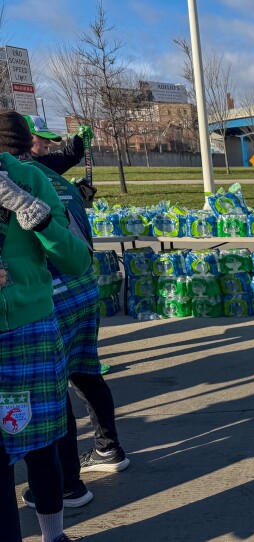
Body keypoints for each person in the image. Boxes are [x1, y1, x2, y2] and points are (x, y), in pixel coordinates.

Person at [0, 110, 130, 513]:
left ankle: (68, 485)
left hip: (49, 300)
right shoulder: (52, 176)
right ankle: (108, 449)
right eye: (40, 139)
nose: (44, 145)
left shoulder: (32, 179)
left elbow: (68, 250)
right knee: (82, 376)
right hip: (79, 291)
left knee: (53, 398)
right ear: (28, 141)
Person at [0, 110, 92, 542]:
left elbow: (77, 259)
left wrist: (35, 217)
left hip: (29, 330)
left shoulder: (32, 179)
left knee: (40, 445)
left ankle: (54, 536)